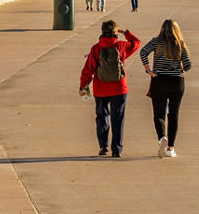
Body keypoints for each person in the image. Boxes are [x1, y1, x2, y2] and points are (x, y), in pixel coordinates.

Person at [79, 20, 141, 157]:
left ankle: (103, 146)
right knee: (118, 118)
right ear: (115, 32)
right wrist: (125, 32)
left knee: (102, 116)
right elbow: (136, 43)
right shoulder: (121, 46)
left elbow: (88, 70)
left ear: (102, 32)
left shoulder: (96, 48)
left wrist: (83, 86)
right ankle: (116, 150)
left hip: (100, 88)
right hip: (119, 87)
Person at [140, 19, 192, 158]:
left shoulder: (155, 42)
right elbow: (188, 64)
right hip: (177, 81)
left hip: (159, 80)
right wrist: (180, 67)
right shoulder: (181, 44)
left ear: (162, 29)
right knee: (174, 114)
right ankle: (170, 148)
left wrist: (148, 70)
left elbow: (143, 52)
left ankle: (162, 137)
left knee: (159, 114)